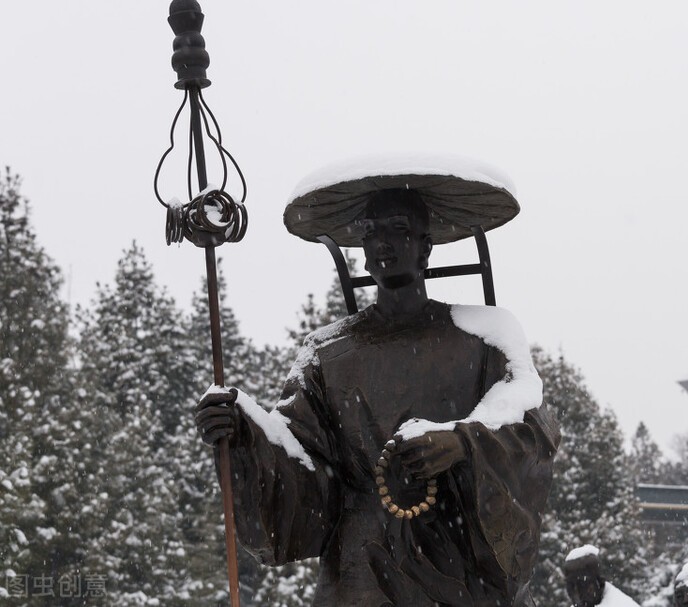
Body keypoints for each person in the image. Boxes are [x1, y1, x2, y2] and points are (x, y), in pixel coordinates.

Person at [195, 161, 559, 607]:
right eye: (371, 231)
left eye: (399, 229)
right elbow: (302, 463)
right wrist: (243, 430)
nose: (383, 241)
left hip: (455, 564)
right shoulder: (328, 353)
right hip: (360, 569)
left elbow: (530, 428)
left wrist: (462, 443)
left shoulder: (483, 337)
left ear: (425, 246)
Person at [562, 545, 640, 607]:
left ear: (599, 583)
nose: (578, 594)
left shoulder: (620, 603)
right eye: (572, 587)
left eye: (582, 585)